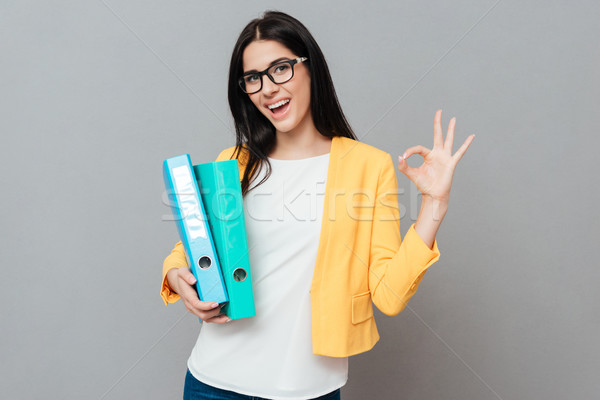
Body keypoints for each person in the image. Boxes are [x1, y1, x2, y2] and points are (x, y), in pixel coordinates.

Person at [160, 10, 474, 400]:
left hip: (309, 389)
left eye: (280, 69)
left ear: (310, 67)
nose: (268, 88)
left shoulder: (367, 166)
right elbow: (194, 245)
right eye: (253, 78)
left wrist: (434, 202)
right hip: (213, 382)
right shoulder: (235, 161)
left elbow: (389, 295)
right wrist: (177, 277)